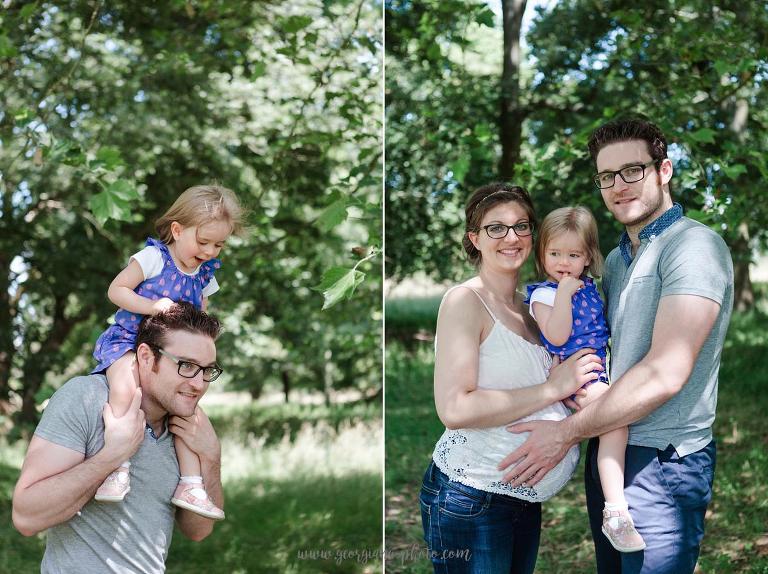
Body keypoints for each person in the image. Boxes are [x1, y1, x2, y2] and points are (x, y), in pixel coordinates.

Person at [498, 118, 734, 574]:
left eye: (632, 171)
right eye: (606, 177)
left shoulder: (693, 247)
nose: (618, 186)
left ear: (663, 170)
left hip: (663, 460)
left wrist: (566, 432)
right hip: (608, 441)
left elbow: (666, 372)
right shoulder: (618, 259)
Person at [419, 183, 604, 574]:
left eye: (522, 226)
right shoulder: (465, 302)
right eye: (496, 228)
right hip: (470, 497)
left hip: (522, 499)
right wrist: (554, 387)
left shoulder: (533, 305)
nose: (512, 237)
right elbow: (454, 408)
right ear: (475, 239)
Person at [12, 302, 226, 573]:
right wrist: (111, 457)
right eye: (186, 365)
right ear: (146, 357)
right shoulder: (86, 399)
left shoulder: (188, 429)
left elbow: (199, 530)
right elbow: (26, 517)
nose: (199, 384)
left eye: (208, 370)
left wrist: (211, 458)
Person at [92, 184, 241, 519]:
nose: (210, 251)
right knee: (125, 387)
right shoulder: (154, 258)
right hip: (130, 340)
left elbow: (201, 312)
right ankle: (116, 467)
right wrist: (151, 305)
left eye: (219, 244)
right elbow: (116, 290)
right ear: (177, 230)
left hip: (171, 355)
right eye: (203, 242)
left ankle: (190, 484)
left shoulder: (204, 274)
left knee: (186, 413)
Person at [524, 206, 644, 552]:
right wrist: (563, 294)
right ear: (542, 253)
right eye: (554, 253)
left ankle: (614, 506)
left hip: (593, 372)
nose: (563, 262)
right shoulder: (545, 295)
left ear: (589, 256)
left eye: (573, 254)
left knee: (614, 427)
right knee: (615, 425)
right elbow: (558, 336)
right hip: (577, 379)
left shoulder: (589, 286)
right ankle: (616, 511)